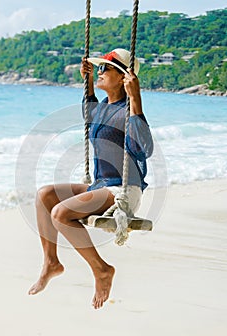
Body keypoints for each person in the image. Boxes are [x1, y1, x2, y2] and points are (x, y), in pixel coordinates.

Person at [28, 48, 153, 309]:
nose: (100, 72)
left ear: (123, 77)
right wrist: (87, 83)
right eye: (99, 68)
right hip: (102, 184)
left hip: (123, 189)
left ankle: (102, 270)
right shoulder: (105, 107)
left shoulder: (129, 110)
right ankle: (51, 263)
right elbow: (90, 115)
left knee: (61, 213)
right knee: (45, 196)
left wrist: (136, 98)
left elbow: (144, 149)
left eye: (105, 68)